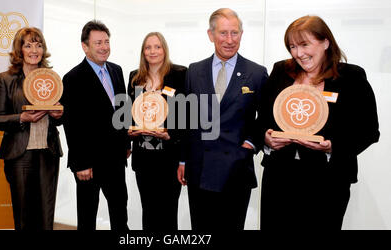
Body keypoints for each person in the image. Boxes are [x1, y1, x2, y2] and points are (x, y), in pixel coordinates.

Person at [258, 15, 380, 229]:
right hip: (279, 180)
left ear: (325, 42)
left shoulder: (351, 77)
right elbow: (262, 120)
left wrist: (333, 146)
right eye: (293, 46)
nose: (298, 53)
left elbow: (369, 131)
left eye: (304, 44)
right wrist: (266, 139)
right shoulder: (281, 71)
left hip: (328, 183)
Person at [177, 8, 268, 230]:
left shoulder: (257, 73)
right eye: (223, 33)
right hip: (200, 167)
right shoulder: (194, 70)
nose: (229, 40)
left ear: (241, 34)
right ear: (211, 35)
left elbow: (265, 117)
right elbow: (185, 118)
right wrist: (182, 160)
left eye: (235, 33)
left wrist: (250, 144)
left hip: (237, 167)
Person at [0, 27, 63, 230]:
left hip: (48, 153)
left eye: (38, 45)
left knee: (46, 215)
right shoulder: (6, 79)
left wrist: (58, 116)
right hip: (19, 155)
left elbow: (58, 117)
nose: (34, 50)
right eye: (28, 45)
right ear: (19, 50)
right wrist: (22, 117)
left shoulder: (52, 79)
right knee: (23, 216)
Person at [61, 20, 130, 230]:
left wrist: (127, 143)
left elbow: (122, 110)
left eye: (107, 42)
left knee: (120, 214)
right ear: (85, 46)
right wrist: (80, 163)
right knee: (87, 218)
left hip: (116, 159)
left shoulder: (117, 71)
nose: (104, 47)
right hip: (88, 164)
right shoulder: (73, 78)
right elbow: (71, 123)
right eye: (98, 42)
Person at [127, 32, 186, 230]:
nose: (153, 51)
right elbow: (129, 114)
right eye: (148, 47)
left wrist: (170, 134)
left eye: (157, 46)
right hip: (143, 157)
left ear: (164, 49)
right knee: (149, 211)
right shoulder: (135, 78)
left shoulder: (179, 74)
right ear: (143, 52)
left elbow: (187, 115)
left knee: (168, 213)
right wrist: (129, 131)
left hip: (168, 157)